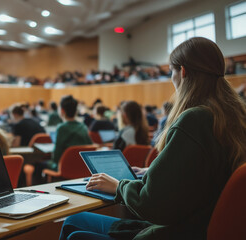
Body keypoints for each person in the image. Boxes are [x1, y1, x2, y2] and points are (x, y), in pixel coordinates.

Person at [59, 37, 246, 240]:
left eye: (171, 72)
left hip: (178, 231)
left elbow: (151, 204)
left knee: (75, 235)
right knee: (72, 221)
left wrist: (118, 186)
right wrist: (158, 171)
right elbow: (206, 173)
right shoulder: (234, 118)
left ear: (182, 72)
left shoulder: (195, 118)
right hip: (199, 226)